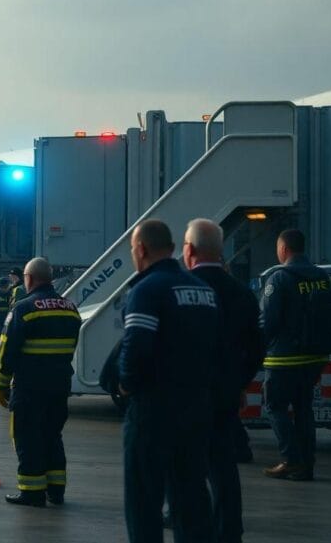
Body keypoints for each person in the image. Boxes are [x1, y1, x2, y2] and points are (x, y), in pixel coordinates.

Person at [118, 219, 218, 542]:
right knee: (191, 499)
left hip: (153, 412)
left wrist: (126, 383)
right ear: (174, 249)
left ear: (141, 249)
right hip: (196, 411)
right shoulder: (204, 291)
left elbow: (136, 348)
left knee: (144, 502)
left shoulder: (146, 290)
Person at [183, 218, 264, 541]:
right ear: (220, 251)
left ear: (189, 250)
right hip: (225, 393)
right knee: (223, 466)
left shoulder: (181, 290)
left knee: (186, 465)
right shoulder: (242, 293)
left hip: (186, 394)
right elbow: (257, 346)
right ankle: (229, 529)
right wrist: (239, 381)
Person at [0, 258, 81, 507]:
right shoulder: (70, 308)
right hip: (60, 385)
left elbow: (7, 350)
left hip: (30, 387)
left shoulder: (24, 308)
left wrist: (1, 383)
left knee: (27, 437)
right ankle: (56, 491)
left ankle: (32, 492)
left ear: (28, 278)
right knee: (53, 435)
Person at [260, 229, 331, 481]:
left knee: (275, 406)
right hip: (315, 357)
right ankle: (306, 464)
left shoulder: (278, 278)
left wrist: (255, 349)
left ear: (283, 249)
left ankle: (291, 459)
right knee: (304, 409)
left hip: (283, 358)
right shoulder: (324, 277)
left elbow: (267, 322)